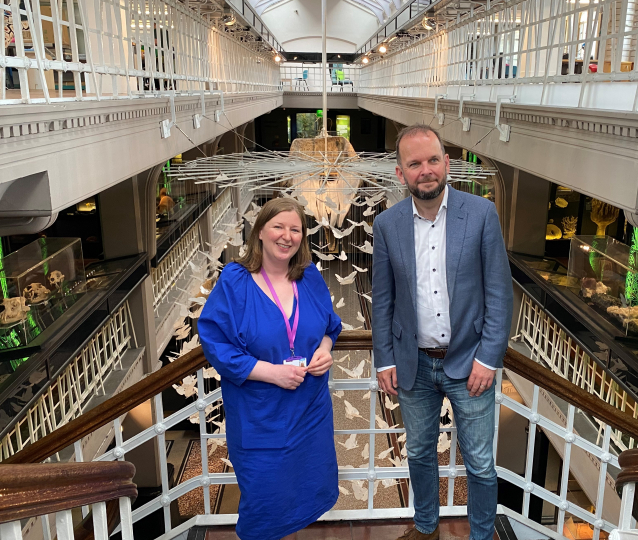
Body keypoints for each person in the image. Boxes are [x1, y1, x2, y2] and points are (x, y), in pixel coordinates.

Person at [371, 125, 513, 540]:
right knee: (418, 453)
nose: (426, 170)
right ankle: (425, 527)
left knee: (481, 463)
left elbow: (499, 294)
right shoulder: (386, 224)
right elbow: (382, 300)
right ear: (401, 174)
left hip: (471, 364)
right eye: (415, 163)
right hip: (413, 365)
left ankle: (482, 535)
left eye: (433, 160)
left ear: (447, 164)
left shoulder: (482, 213)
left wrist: (489, 358)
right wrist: (385, 358)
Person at [198, 197, 342, 540]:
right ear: (260, 231)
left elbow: (330, 326)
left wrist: (324, 350)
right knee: (264, 502)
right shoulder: (235, 280)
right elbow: (215, 341)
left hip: (309, 410)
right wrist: (270, 372)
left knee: (302, 492)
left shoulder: (309, 277)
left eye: (295, 229)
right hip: (259, 414)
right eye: (278, 226)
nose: (287, 236)